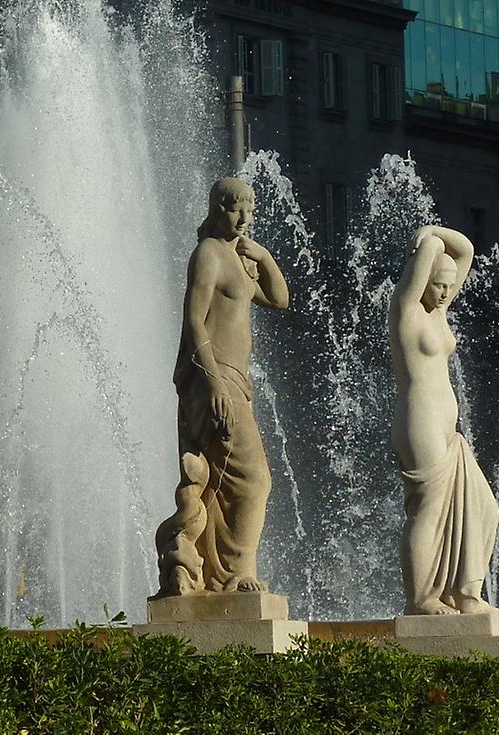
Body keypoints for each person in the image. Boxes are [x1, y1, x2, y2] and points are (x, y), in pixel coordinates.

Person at [154, 177, 289, 597]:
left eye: (250, 209)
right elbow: (194, 318)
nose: (244, 217)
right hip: (214, 379)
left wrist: (263, 257)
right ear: (217, 209)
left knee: (216, 483)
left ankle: (198, 566)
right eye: (235, 209)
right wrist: (212, 381)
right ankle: (235, 572)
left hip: (233, 381)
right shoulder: (209, 254)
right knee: (253, 479)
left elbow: (280, 299)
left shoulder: (240, 257)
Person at [389, 225, 499, 615]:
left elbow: (466, 249)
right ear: (422, 279)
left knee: (485, 507)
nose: (445, 293)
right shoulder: (406, 310)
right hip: (418, 420)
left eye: (449, 287)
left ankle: (465, 593)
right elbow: (431, 257)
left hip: (444, 427)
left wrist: (431, 228)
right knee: (429, 510)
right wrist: (429, 243)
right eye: (438, 284)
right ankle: (420, 599)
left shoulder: (440, 312)